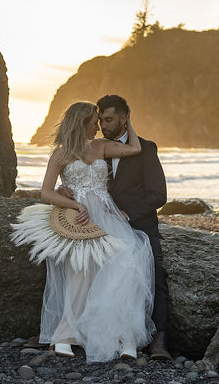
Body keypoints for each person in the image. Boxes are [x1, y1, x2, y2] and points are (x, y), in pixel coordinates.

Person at [27, 101, 157, 362]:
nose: (98, 127)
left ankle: (125, 338)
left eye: (99, 122)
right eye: (93, 123)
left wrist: (127, 120)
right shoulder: (60, 154)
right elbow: (46, 192)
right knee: (81, 273)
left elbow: (135, 148)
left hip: (106, 217)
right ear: (80, 122)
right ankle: (64, 337)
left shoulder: (101, 147)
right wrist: (74, 203)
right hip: (80, 219)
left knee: (127, 264)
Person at [91, 94, 171, 359]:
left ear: (125, 118)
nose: (104, 125)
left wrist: (127, 214)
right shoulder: (94, 149)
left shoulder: (146, 148)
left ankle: (158, 340)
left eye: (110, 119)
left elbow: (158, 195)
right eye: (101, 119)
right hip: (101, 225)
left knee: (155, 273)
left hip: (140, 224)